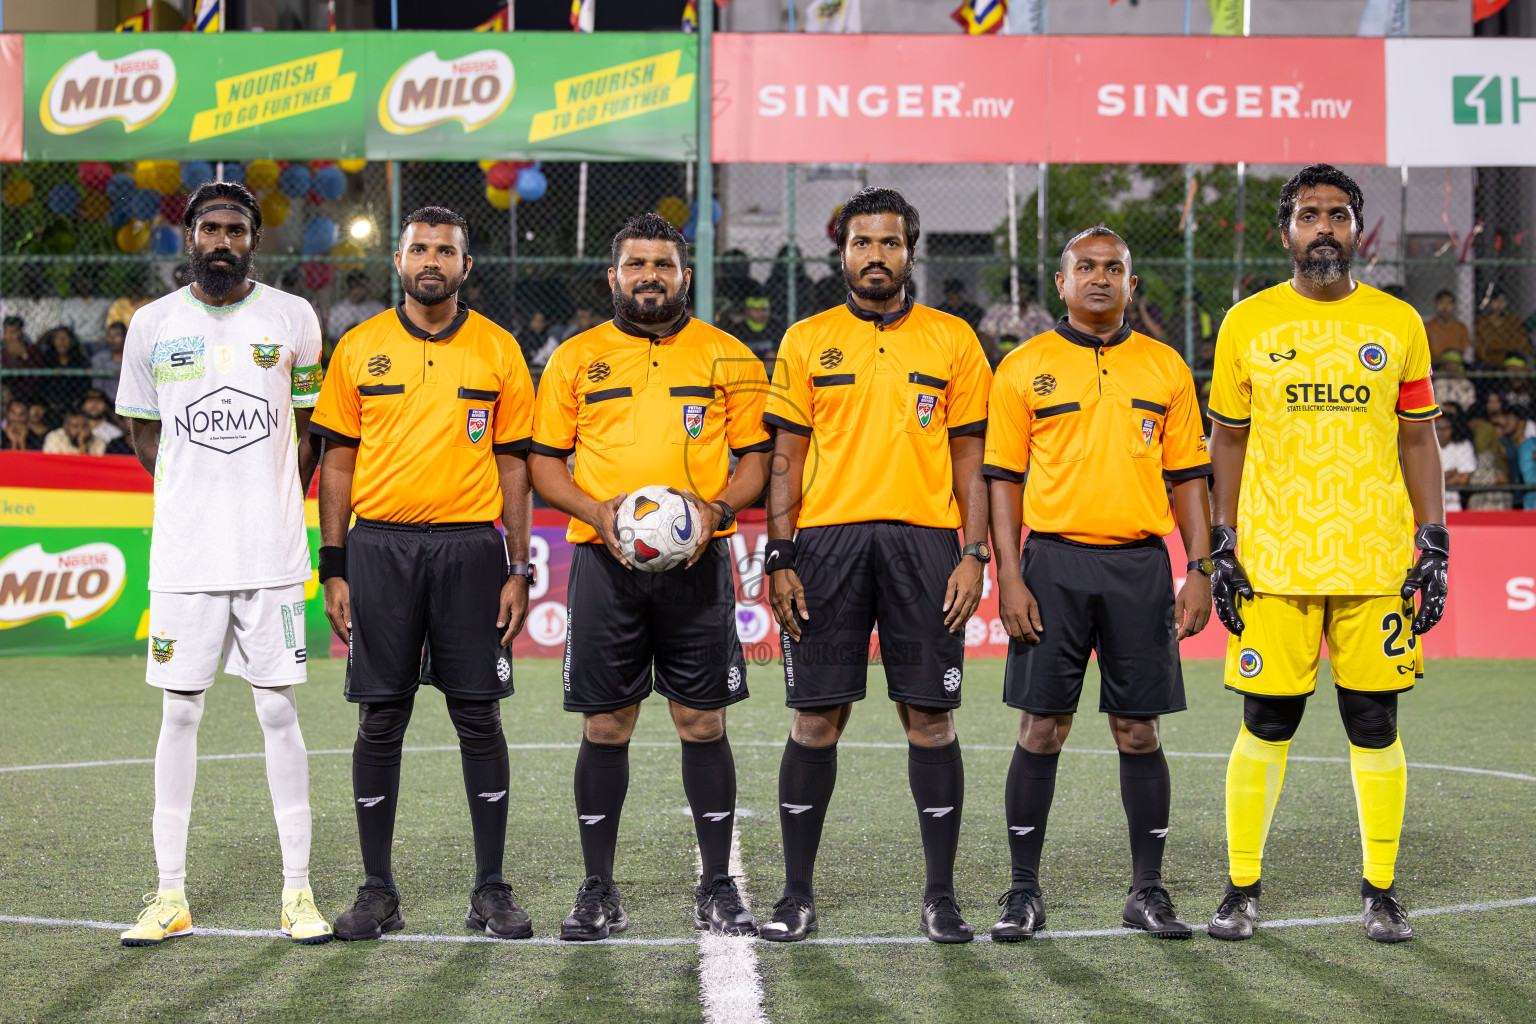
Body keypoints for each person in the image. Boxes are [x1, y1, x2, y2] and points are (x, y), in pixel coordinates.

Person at [1205, 164, 1446, 944]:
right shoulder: (1247, 323)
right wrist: (1221, 540)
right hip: (1275, 560)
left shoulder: (1397, 323)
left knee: (1374, 720)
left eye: (1338, 214)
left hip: (1375, 561)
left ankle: (1380, 890)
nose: (1324, 228)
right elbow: (1228, 439)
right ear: (1286, 233)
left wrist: (1434, 538)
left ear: (1356, 229)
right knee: (1266, 720)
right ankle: (1242, 888)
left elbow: (1418, 436)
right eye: (1309, 215)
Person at [528, 213, 773, 941]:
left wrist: (718, 508)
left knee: (702, 720)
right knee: (607, 722)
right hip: (606, 563)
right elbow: (545, 464)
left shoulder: (729, 356)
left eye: (663, 265)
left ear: (684, 276)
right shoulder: (575, 359)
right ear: (614, 277)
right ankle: (597, 888)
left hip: (700, 564)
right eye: (635, 265)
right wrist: (598, 514)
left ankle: (719, 886)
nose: (649, 277)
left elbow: (757, 460)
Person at [760, 187, 993, 944]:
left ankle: (940, 896)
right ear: (843, 253)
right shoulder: (804, 340)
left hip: (927, 545)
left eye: (890, 243)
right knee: (816, 720)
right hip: (825, 545)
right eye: (863, 243)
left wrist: (973, 551)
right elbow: (784, 460)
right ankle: (797, 895)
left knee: (930, 720)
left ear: (909, 253)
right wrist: (781, 552)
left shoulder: (954, 340)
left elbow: (971, 460)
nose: (876, 256)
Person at [308, 206, 537, 943]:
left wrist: (518, 565)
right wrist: (333, 565)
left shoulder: (500, 351)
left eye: (447, 248)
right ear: (399, 262)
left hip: (472, 552)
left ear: (467, 266)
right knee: (382, 717)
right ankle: (378, 890)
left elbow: (514, 467)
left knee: (478, 716)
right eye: (419, 248)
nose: (431, 259)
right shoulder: (359, 347)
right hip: (379, 552)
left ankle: (490, 890)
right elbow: (336, 465)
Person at [113, 182, 331, 947]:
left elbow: (310, 432)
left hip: (269, 554)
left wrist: (266, 498)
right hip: (184, 556)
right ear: (188, 236)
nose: (221, 240)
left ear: (254, 240)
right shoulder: (151, 325)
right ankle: (169, 893)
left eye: (235, 229)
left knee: (277, 708)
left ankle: (297, 893)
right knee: (179, 712)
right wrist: (193, 495)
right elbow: (146, 435)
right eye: (209, 227)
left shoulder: (293, 317)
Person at [983, 226, 1213, 942]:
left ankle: (1147, 891)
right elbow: (1002, 483)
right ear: (1062, 282)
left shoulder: (1166, 367)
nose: (1101, 277)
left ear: (1132, 283)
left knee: (1137, 731)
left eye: (1115, 267)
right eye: (1086, 266)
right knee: (1041, 728)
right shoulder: (1024, 367)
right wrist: (1011, 577)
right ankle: (1023, 893)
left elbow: (1190, 480)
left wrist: (1200, 569)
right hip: (1051, 565)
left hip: (1141, 566)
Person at [978, 279, 1055, 364]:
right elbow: (985, 333)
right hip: (1002, 361)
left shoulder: (1040, 313)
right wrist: (994, 354)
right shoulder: (997, 310)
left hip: (1033, 362)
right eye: (1019, 288)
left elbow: (1051, 339)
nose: (1022, 292)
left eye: (1025, 288)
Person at [1474, 291, 1530, 368]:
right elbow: (1483, 350)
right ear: (1489, 302)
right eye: (1496, 300)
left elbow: (1522, 343)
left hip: (1513, 359)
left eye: (1503, 300)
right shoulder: (1481, 324)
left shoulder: (1513, 321)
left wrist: (1497, 347)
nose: (1500, 303)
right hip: (1491, 362)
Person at [326, 271, 387, 341]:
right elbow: (332, 336)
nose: (358, 291)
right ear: (349, 288)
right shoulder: (338, 309)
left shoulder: (377, 308)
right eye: (355, 287)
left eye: (362, 287)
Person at [1436, 413, 1475, 514]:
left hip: (1455, 502)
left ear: (1453, 429)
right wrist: (1453, 473)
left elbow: (1464, 478)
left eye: (1446, 428)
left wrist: (1437, 479)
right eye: (1438, 427)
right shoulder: (1424, 447)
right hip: (1427, 501)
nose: (1441, 432)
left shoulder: (1463, 445)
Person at [1424, 290, 1471, 364]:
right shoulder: (1427, 327)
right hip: (1433, 367)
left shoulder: (1461, 327)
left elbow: (1466, 352)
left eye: (1449, 303)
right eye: (1442, 302)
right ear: (1436, 304)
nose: (1445, 307)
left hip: (1457, 366)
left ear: (1454, 306)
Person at [2, 315, 41, 403]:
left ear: (21, 333)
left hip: (27, 394)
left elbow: (36, 375)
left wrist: (23, 354)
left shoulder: (32, 350)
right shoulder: (2, 350)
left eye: (13, 332)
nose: (9, 336)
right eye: (6, 331)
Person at [91, 321, 128, 399]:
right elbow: (97, 387)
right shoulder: (99, 359)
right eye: (109, 335)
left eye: (117, 335)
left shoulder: (132, 359)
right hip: (105, 400)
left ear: (125, 337)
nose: (112, 339)